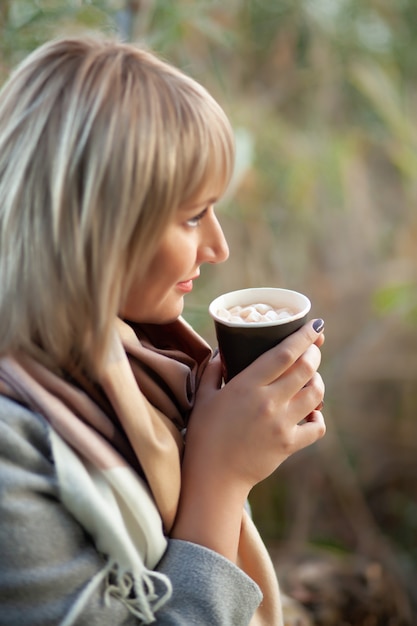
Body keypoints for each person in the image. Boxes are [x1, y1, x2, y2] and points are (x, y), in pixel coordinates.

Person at [0, 37, 325, 626]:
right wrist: (221, 479)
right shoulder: (13, 449)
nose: (219, 247)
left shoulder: (138, 358)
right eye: (193, 215)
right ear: (94, 223)